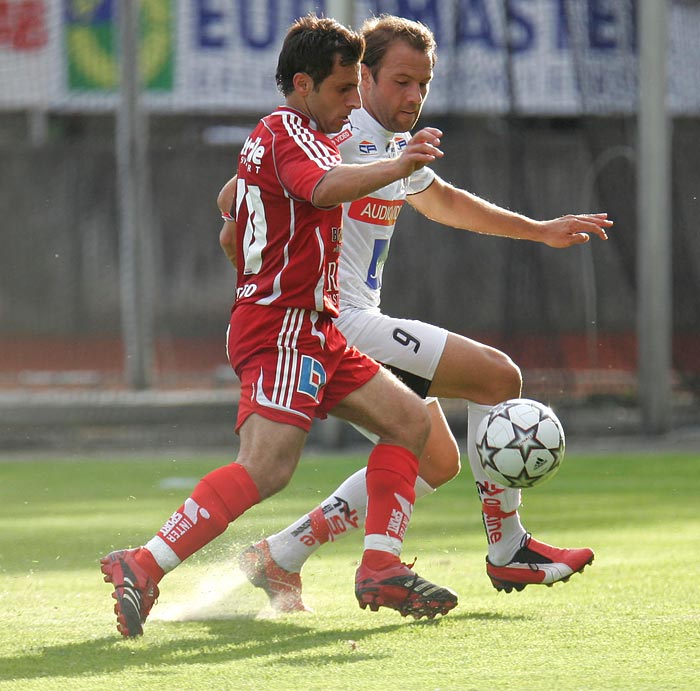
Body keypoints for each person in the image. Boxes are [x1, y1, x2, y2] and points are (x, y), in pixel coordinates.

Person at [218, 14, 613, 613]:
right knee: (498, 377)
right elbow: (234, 197)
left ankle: (281, 554)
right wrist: (261, 275)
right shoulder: (337, 129)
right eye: (400, 81)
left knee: (437, 459)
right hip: (338, 319)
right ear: (364, 78)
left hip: (352, 318)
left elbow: (444, 201)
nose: (414, 95)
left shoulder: (395, 147)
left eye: (423, 83)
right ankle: (507, 549)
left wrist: (539, 230)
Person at [101, 14, 460, 638]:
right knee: (267, 468)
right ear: (301, 84)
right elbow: (320, 190)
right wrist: (399, 166)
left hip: (314, 327)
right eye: (344, 91)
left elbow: (232, 207)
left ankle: (379, 566)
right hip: (284, 329)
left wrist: (255, 248)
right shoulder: (285, 131)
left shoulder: (301, 135)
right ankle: (145, 562)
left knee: (411, 423)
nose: (355, 103)